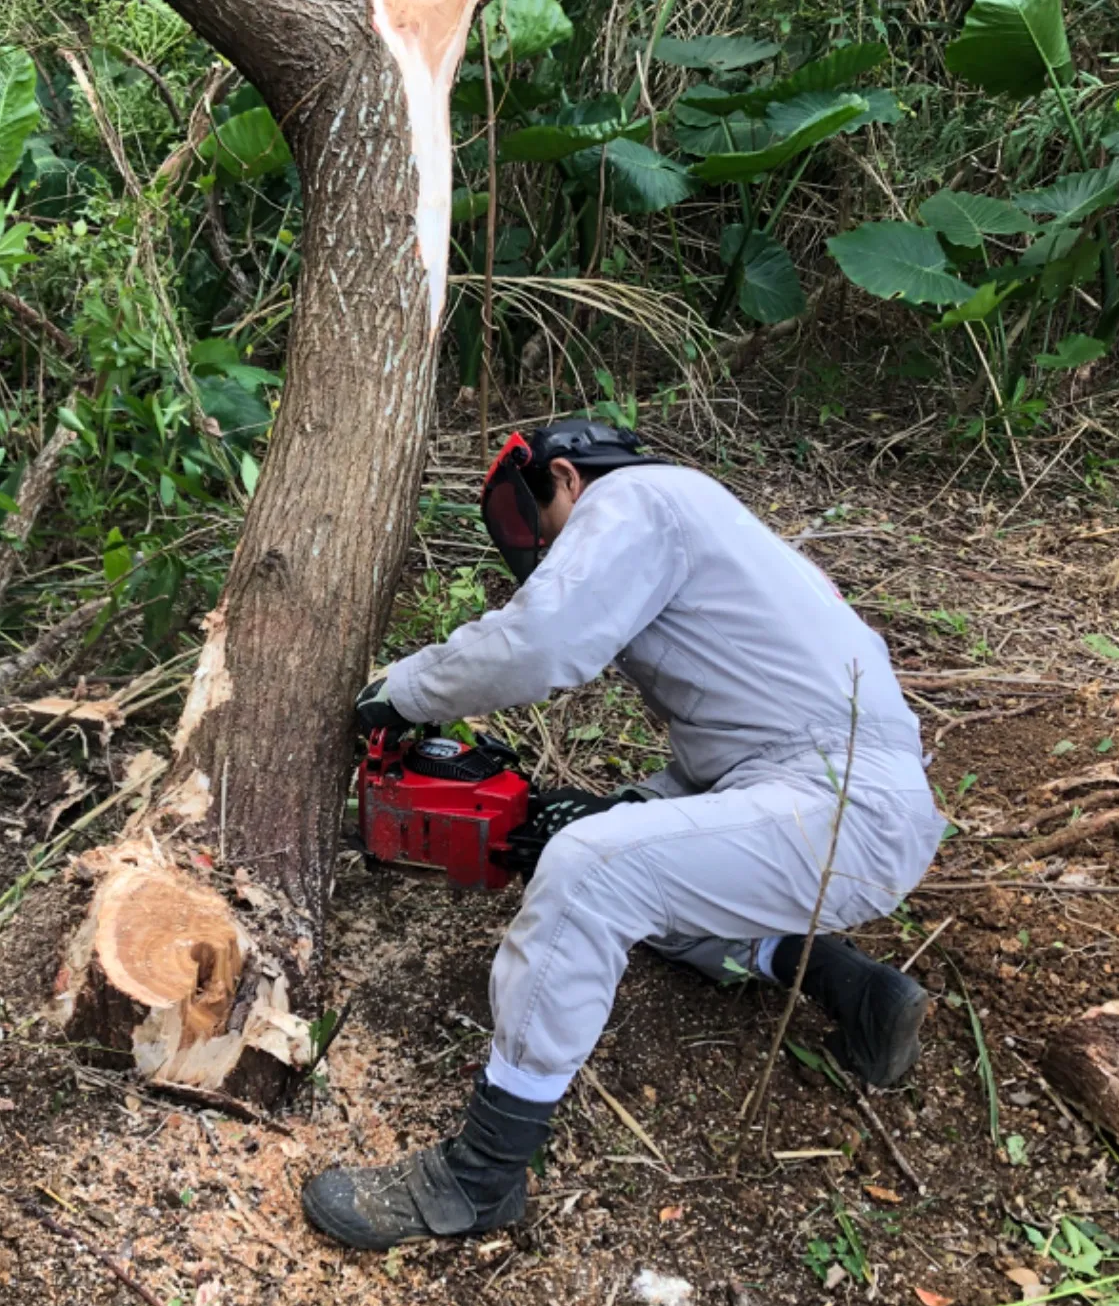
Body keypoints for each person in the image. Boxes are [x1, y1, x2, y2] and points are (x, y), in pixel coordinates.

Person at [300, 419, 945, 1251]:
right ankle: (844, 983)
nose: (538, 549)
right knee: (616, 842)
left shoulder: (637, 498)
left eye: (538, 522)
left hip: (839, 805)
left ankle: (481, 1176)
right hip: (817, 787)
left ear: (565, 477)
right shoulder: (703, 521)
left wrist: (405, 690)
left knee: (593, 871)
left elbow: (539, 643)